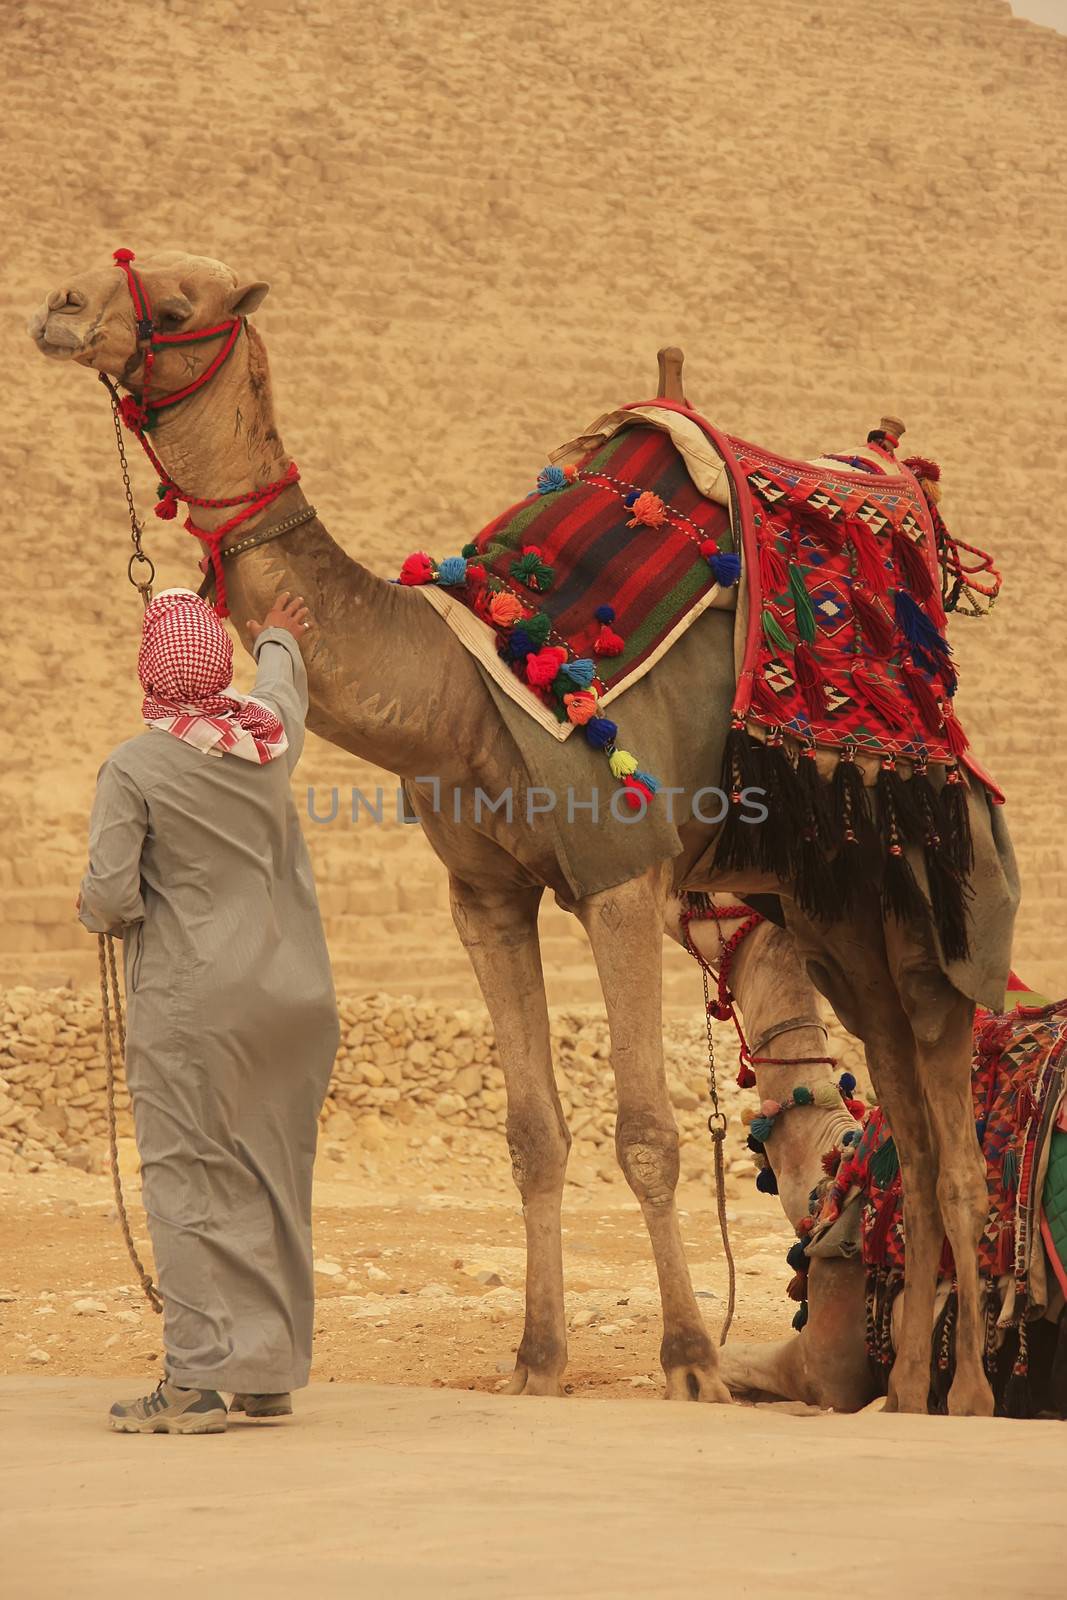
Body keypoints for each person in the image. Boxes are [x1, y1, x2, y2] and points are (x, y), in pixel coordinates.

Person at [78, 587, 339, 1434]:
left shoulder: (135, 767)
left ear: (150, 672)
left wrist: (103, 912)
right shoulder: (268, 739)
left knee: (187, 1176)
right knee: (270, 1172)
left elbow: (111, 895)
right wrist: (276, 635)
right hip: (292, 1000)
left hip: (196, 1005)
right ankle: (264, 1371)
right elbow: (281, 683)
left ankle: (193, 1381)